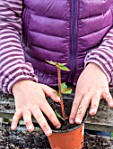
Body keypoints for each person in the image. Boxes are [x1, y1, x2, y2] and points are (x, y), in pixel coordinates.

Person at [0, 0, 113, 137]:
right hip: (36, 88)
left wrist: (102, 62)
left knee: (98, 143)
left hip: (96, 85)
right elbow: (4, 22)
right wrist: (18, 78)